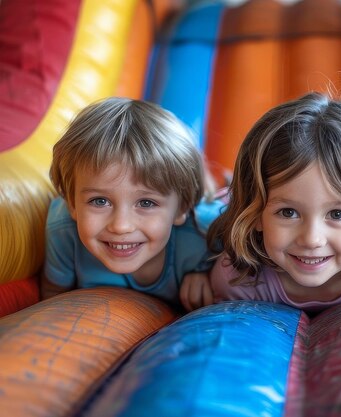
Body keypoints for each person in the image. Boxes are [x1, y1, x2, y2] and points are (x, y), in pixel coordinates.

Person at [196, 92, 341, 315]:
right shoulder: (238, 279)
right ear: (255, 214)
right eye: (288, 212)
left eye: (337, 214)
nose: (312, 239)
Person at [41, 97, 225, 311]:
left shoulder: (208, 236)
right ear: (72, 203)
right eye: (100, 201)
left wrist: (207, 272)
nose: (121, 226)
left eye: (146, 203)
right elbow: (52, 295)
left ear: (182, 208)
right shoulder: (63, 231)